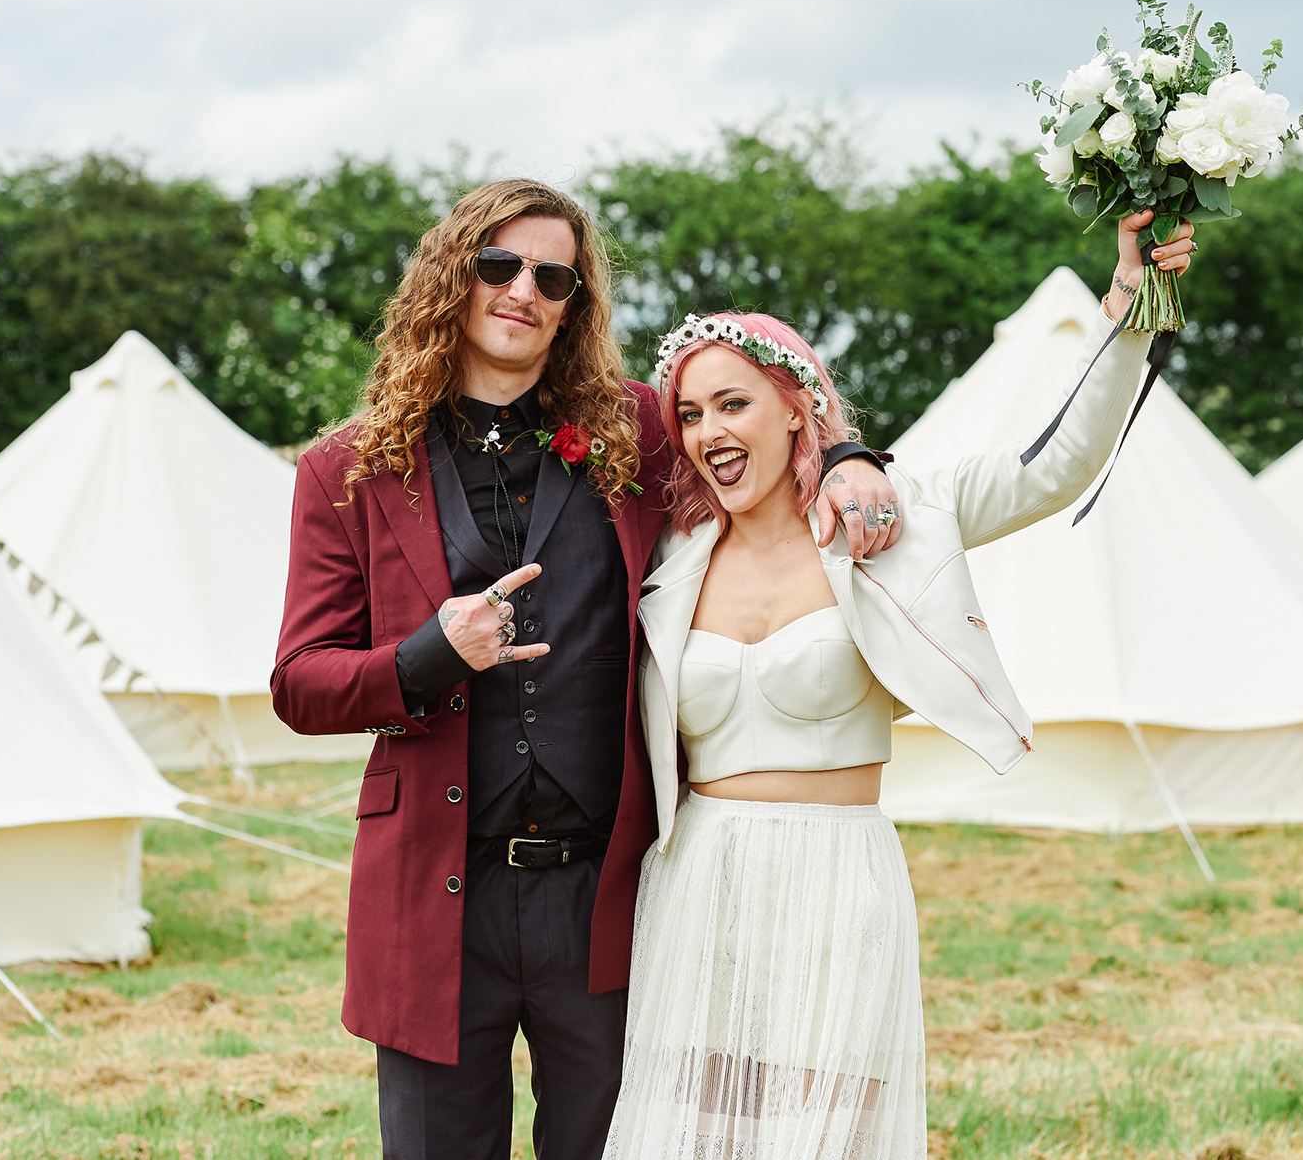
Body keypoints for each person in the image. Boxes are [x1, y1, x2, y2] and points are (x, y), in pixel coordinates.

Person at [270, 178, 903, 1160]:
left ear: (574, 303)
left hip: (605, 896)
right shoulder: (348, 469)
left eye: (552, 276)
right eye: (499, 265)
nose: (523, 289)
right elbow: (300, 683)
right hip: (437, 895)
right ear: (454, 277)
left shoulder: (641, 430)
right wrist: (431, 653)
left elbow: (761, 412)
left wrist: (855, 453)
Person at [605, 210, 1195, 1159]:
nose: (708, 429)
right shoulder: (671, 554)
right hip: (698, 880)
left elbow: (1060, 464)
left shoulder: (896, 517)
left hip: (836, 877)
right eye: (690, 413)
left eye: (733, 403)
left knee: (820, 1135)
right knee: (695, 1134)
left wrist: (1129, 300)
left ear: (797, 406)